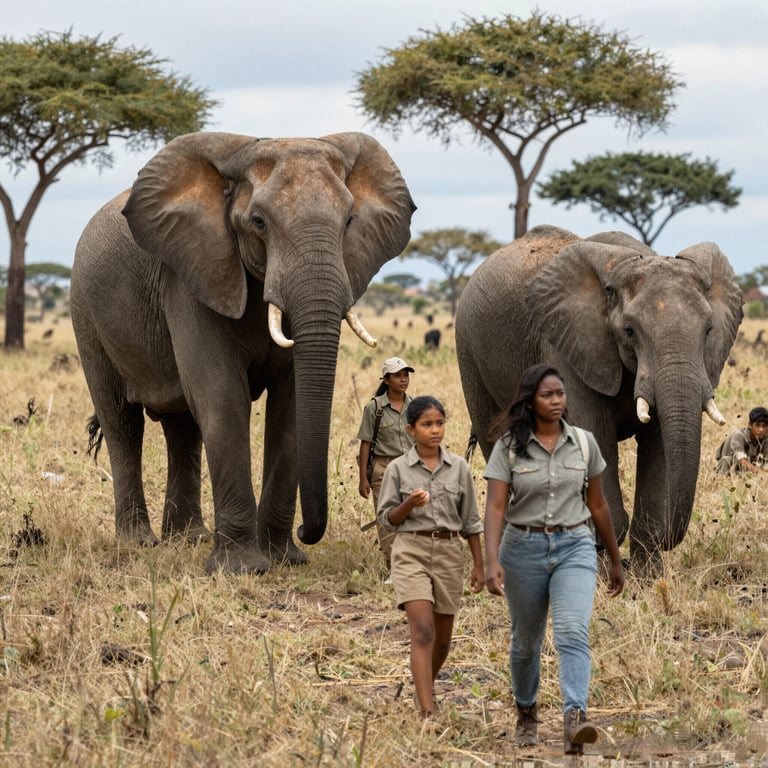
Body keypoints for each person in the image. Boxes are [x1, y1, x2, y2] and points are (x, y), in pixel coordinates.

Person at [482, 363, 624, 755]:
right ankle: (526, 711)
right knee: (525, 643)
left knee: (573, 632)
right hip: (522, 549)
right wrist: (490, 561)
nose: (557, 401)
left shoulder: (583, 443)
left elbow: (597, 504)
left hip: (575, 545)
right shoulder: (508, 448)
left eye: (560, 394)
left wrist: (614, 558)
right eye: (548, 395)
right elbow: (495, 508)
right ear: (530, 402)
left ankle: (575, 718)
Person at [377, 396, 484, 718]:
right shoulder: (397, 469)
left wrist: (480, 564)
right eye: (426, 424)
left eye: (439, 423)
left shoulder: (459, 468)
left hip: (450, 553)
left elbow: (471, 521)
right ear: (411, 430)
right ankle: (427, 709)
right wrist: (408, 504)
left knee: (442, 640)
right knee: (422, 630)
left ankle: (424, 685)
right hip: (411, 550)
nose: (434, 430)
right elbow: (387, 519)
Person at [357, 357, 415, 580]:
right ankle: (394, 568)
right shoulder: (375, 408)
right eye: (398, 375)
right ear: (386, 379)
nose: (403, 379)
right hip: (384, 469)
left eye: (406, 375)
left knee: (412, 516)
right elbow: (366, 443)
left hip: (410, 467)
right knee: (387, 519)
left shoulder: (415, 407)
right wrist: (363, 478)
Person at [714, 406, 768, 474]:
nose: (761, 429)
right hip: (728, 470)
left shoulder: (765, 438)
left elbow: (766, 461)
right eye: (757, 425)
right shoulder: (738, 436)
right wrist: (761, 473)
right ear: (750, 425)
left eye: (764, 426)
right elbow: (742, 461)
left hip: (750, 471)